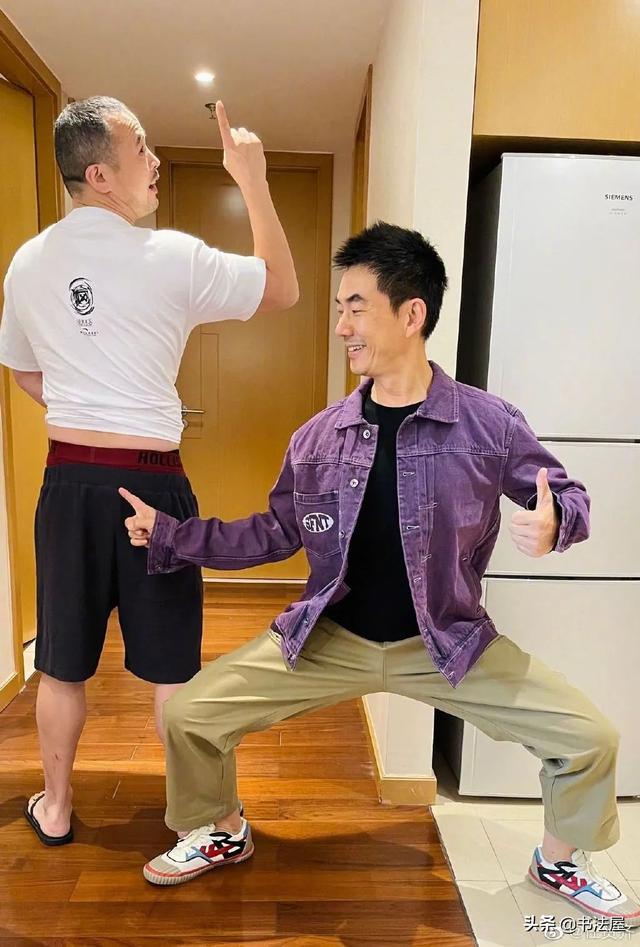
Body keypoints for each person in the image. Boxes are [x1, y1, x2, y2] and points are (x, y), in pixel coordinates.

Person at [121, 222, 639, 928]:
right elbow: (274, 531)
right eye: (340, 309)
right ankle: (223, 828)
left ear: (412, 313)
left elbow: (566, 493)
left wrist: (556, 523)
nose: (342, 326)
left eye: (356, 307)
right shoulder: (319, 437)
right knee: (191, 715)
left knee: (590, 737)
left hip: (447, 642)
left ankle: (558, 861)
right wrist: (173, 534)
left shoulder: (488, 424)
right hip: (329, 638)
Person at [0, 95, 298, 846]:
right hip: (152, 485)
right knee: (173, 669)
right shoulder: (170, 255)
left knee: (61, 664)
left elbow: (23, 370)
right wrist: (251, 177)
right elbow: (282, 288)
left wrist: (83, 401)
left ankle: (56, 807)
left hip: (69, 483)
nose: (156, 160)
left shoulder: (28, 262)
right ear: (100, 174)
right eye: (141, 148)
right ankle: (202, 820)